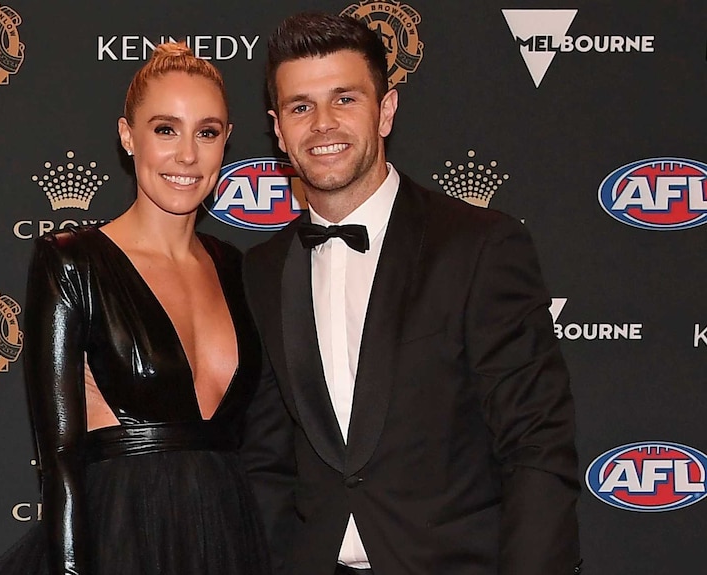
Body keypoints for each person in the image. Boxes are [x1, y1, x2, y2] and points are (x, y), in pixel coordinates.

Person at [241, 12, 582, 575]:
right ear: (279, 129)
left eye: (345, 99)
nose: (322, 124)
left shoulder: (478, 248)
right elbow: (268, 460)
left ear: (387, 109)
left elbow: (536, 446)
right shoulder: (264, 270)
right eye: (301, 107)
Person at [0, 42, 269, 575]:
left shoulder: (237, 268)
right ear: (127, 136)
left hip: (230, 541)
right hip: (120, 541)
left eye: (206, 133)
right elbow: (60, 459)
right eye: (166, 129)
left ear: (225, 143)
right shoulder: (73, 261)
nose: (187, 155)